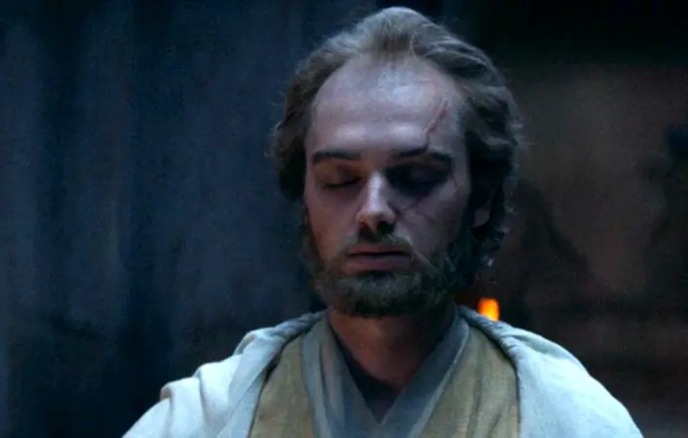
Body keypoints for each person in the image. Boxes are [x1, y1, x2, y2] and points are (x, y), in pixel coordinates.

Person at [125, 7, 641, 437]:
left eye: (415, 177)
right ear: (304, 196)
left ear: (481, 198)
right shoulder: (211, 416)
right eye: (339, 179)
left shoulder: (564, 417)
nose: (373, 210)